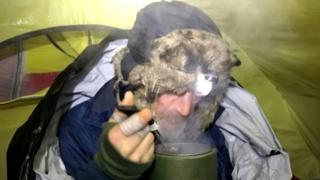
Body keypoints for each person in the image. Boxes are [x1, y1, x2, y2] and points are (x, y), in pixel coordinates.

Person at [7, 1, 292, 180]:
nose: (185, 109)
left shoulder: (211, 127)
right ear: (137, 84)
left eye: (200, 90)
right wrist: (108, 171)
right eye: (172, 90)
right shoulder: (86, 128)